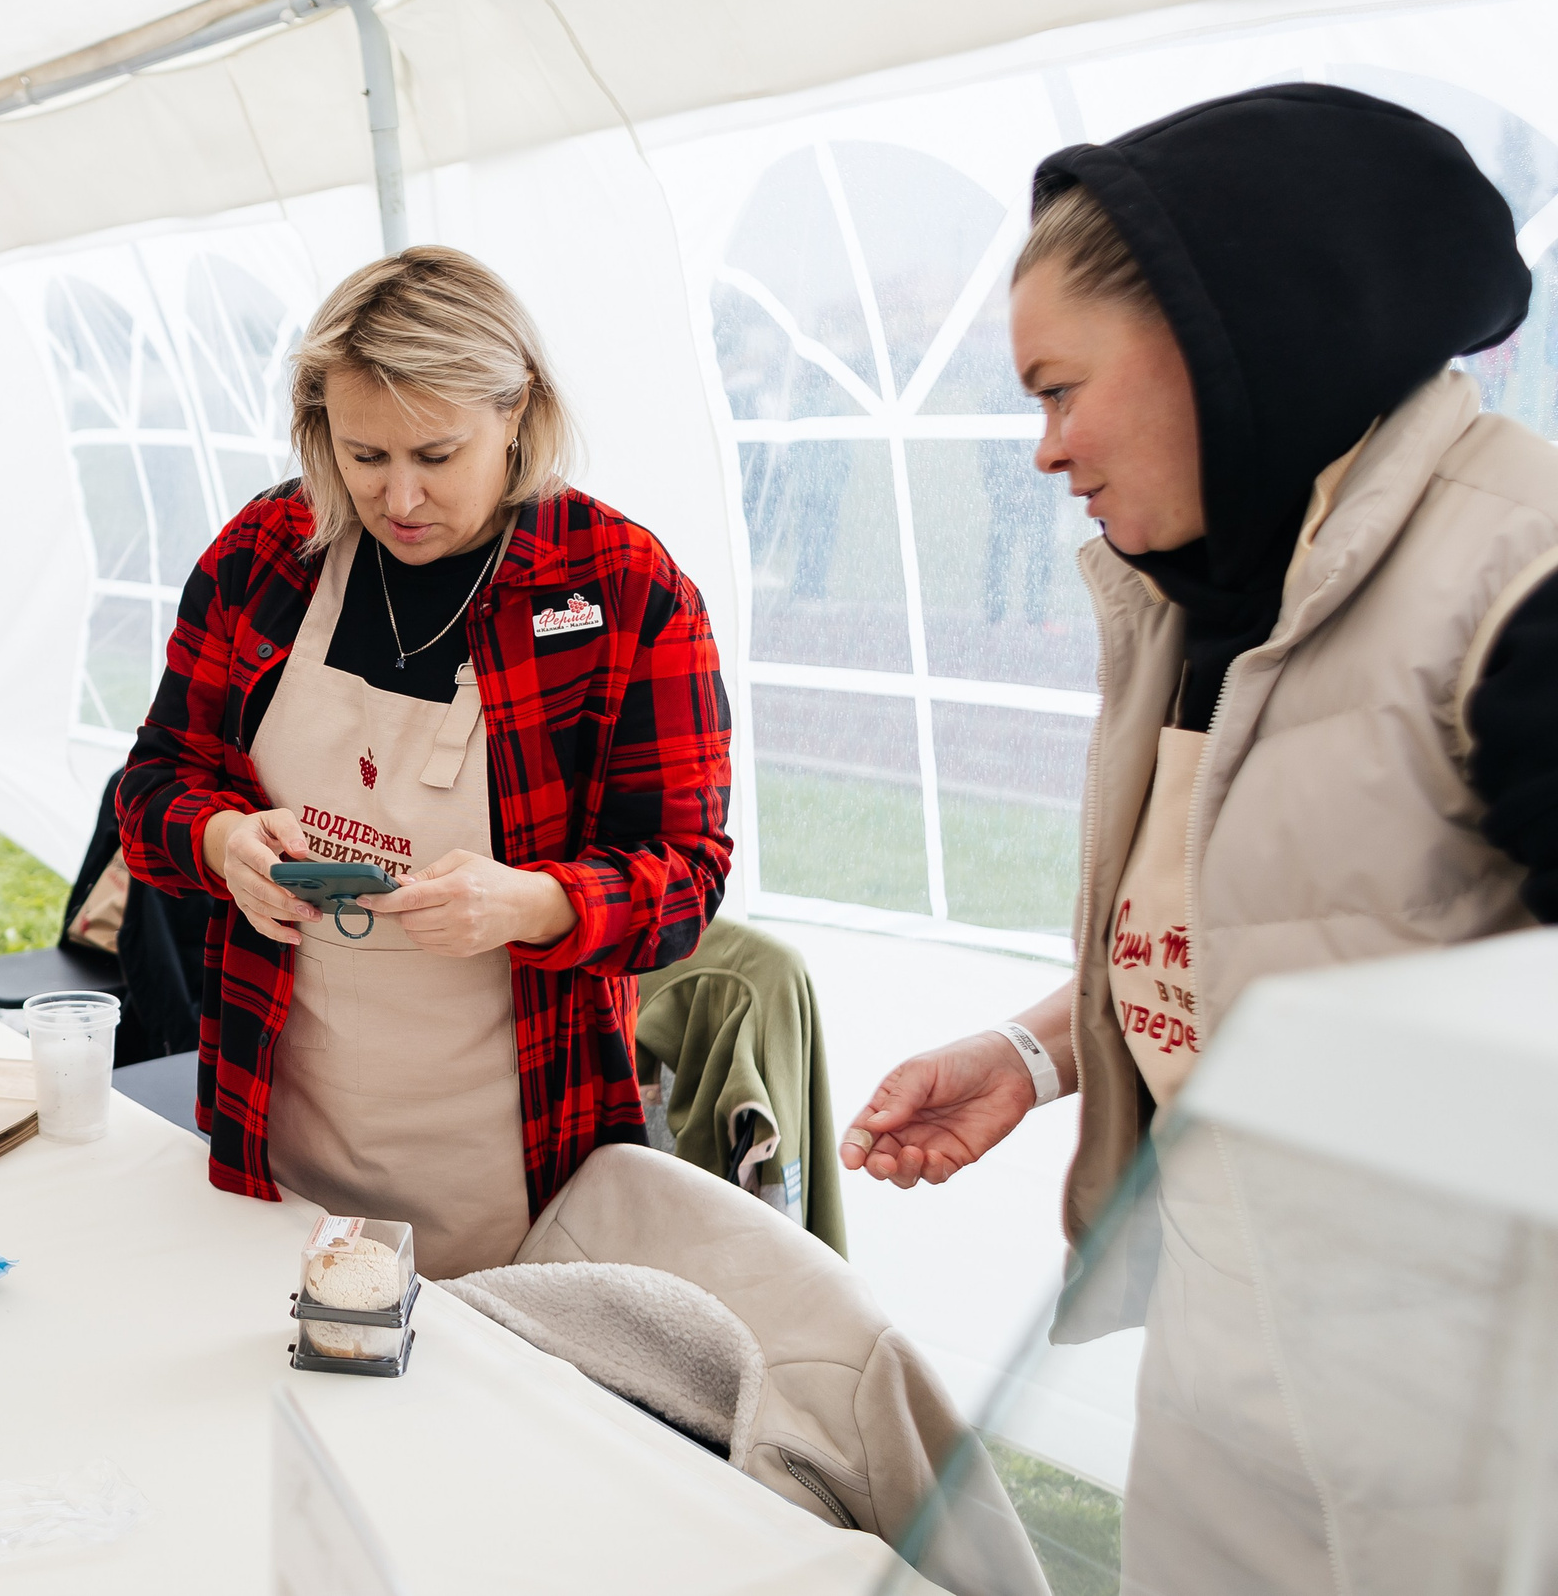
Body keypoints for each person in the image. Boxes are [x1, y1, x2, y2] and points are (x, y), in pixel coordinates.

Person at [836, 85, 1558, 1587]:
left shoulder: (1513, 579)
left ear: (1226, 335)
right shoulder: (1203, 585)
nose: (1043, 452)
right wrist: (1043, 1050)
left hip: (1475, 1414)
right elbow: (1287, 925)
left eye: (1059, 389)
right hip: (1221, 1337)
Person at [118, 247, 733, 1277]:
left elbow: (687, 876)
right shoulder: (266, 552)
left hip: (514, 1158)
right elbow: (151, 785)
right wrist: (223, 842)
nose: (397, 498)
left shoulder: (622, 590)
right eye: (363, 454)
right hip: (277, 1136)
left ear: (516, 411)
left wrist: (532, 904)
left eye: (436, 456)